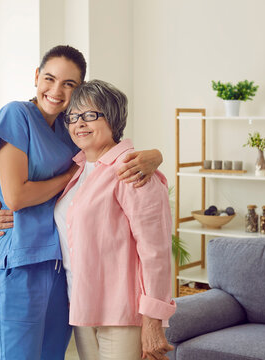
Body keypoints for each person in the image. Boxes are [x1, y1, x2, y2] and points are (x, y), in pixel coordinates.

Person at [0, 45, 163, 360]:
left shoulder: (71, 130)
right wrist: (70, 173)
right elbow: (15, 197)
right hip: (23, 261)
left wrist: (155, 156)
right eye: (49, 78)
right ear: (36, 77)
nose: (56, 90)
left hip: (62, 271)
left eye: (69, 84)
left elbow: (107, 150)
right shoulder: (17, 115)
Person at [57, 79, 176, 360]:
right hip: (83, 303)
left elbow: (155, 252)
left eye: (90, 115)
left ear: (112, 117)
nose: (79, 123)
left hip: (123, 312)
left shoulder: (132, 169)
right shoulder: (78, 170)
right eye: (73, 117)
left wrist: (153, 319)